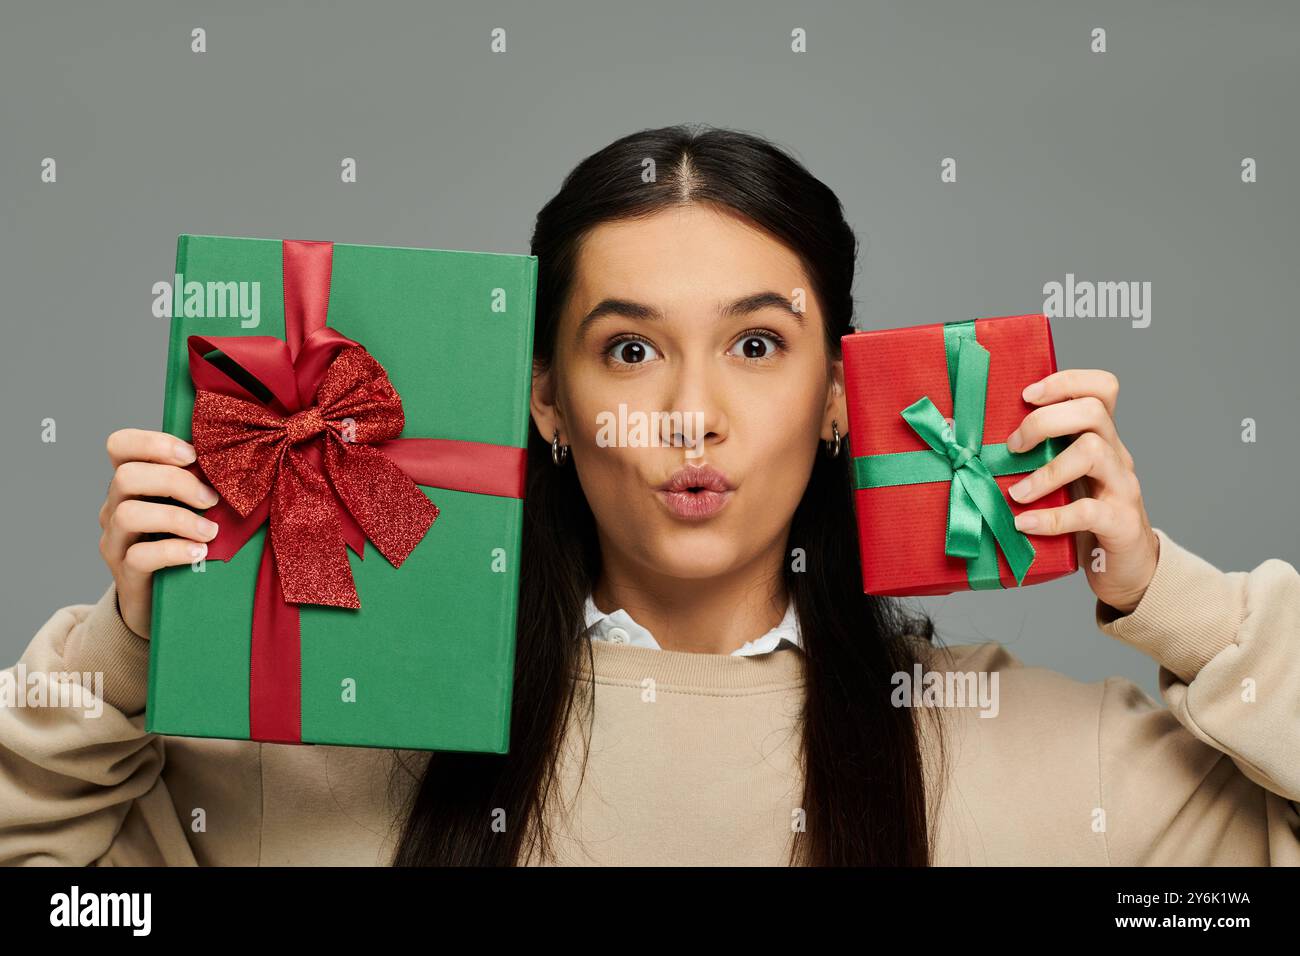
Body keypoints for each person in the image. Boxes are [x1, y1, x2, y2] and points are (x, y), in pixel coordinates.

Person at [1, 125, 1297, 866]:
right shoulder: (322, 758)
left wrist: (1175, 600)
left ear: (842, 396)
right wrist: (127, 653)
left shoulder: (1052, 762)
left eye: (755, 343)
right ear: (546, 403)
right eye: (629, 346)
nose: (691, 410)